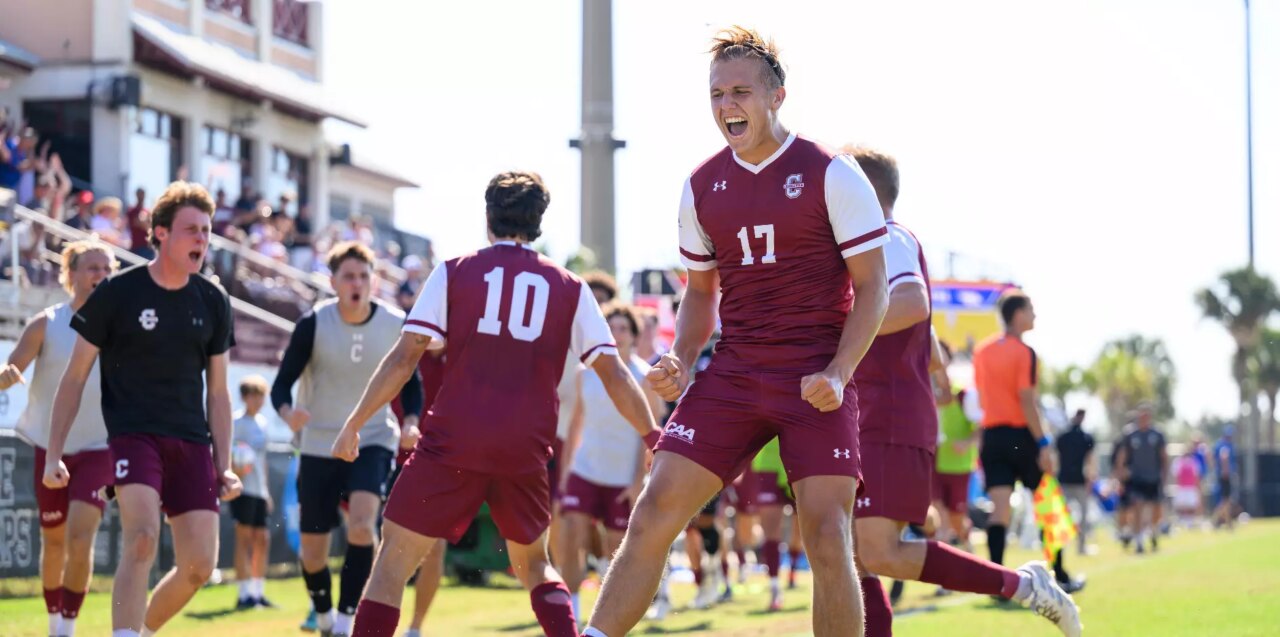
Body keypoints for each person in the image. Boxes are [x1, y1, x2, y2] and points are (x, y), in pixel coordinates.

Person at [584, 27, 892, 637]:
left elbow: (874, 286)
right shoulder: (700, 186)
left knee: (828, 536)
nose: (727, 106)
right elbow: (700, 292)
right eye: (717, 93)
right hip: (734, 371)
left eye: (741, 92)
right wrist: (680, 355)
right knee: (652, 513)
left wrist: (838, 370)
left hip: (813, 376)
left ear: (777, 96)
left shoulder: (832, 172)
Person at [337, 170, 661, 637]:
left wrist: (356, 419)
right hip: (525, 446)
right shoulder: (570, 286)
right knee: (535, 566)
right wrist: (653, 434)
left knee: (392, 564)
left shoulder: (455, 270)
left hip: (454, 439)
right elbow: (613, 372)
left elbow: (405, 355)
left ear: (488, 217)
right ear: (540, 223)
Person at [847, 147, 1081, 637]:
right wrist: (933, 372)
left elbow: (912, 302)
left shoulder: (886, 237)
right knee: (853, 555)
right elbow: (930, 340)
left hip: (888, 417)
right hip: (874, 415)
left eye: (839, 186)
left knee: (876, 551)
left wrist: (834, 336)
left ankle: (1021, 584)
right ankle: (970, 549)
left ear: (863, 194)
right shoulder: (867, 250)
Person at [43, 181, 241, 637]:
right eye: (191, 229)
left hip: (192, 441)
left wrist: (223, 465)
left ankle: (142, 629)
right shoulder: (116, 294)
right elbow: (73, 380)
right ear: (160, 233)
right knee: (143, 537)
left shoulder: (213, 299)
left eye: (206, 231)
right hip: (134, 435)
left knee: (199, 566)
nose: (201, 240)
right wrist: (54, 455)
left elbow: (219, 393)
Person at [270, 241, 425, 637]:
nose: (357, 283)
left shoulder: (394, 322)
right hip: (319, 443)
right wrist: (290, 415)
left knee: (361, 526)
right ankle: (323, 615)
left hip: (372, 439)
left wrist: (409, 421)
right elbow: (281, 386)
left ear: (374, 280)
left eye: (363, 276)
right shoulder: (314, 323)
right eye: (348, 276)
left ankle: (345, 619)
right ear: (333, 282)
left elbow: (411, 383)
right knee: (313, 551)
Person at [0, 240, 116, 637]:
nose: (100, 275)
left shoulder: (121, 328)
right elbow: (11, 367)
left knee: (82, 535)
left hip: (101, 447)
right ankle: (53, 623)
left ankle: (67, 627)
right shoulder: (46, 323)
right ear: (70, 275)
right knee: (53, 541)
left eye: (106, 268)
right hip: (49, 448)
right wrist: (5, 376)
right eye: (91, 268)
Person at [557, 303, 663, 621]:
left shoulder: (645, 377)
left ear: (634, 336)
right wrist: (565, 475)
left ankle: (607, 616)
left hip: (622, 478)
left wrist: (636, 482)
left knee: (617, 552)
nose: (616, 334)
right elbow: (576, 424)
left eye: (622, 329)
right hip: (584, 470)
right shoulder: (584, 372)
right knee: (571, 535)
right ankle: (570, 612)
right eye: (611, 328)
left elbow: (651, 436)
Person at [973, 291, 1084, 595]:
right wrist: (1044, 442)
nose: (1034, 315)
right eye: (1031, 309)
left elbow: (982, 396)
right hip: (1020, 437)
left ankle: (997, 583)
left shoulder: (981, 351)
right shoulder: (1024, 352)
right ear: (1018, 314)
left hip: (992, 437)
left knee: (999, 510)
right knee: (1047, 501)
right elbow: (1026, 400)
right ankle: (1060, 574)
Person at [231, 375, 276, 610]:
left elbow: (263, 461)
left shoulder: (263, 424)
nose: (257, 400)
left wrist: (267, 492)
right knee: (244, 538)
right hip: (242, 490)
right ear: (244, 397)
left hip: (259, 491)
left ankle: (258, 593)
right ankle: (244, 594)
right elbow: (230, 456)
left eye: (261, 396)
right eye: (253, 395)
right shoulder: (236, 423)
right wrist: (234, 467)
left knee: (262, 539)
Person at [1115, 404, 1167, 553]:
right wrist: (1121, 474)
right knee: (1137, 507)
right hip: (1137, 478)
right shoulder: (1131, 435)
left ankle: (1154, 533)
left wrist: (1165, 475)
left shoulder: (1157, 435)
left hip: (1154, 477)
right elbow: (1122, 456)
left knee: (1156, 510)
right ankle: (1139, 541)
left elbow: (1163, 457)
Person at [1056, 409, 1096, 555]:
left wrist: (1090, 477)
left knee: (1081, 515)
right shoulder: (1072, 437)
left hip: (1074, 481)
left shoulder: (1080, 437)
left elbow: (1089, 459)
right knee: (1065, 516)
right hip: (1069, 481)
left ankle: (1077, 546)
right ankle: (1066, 547)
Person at [1212, 426, 1237, 529]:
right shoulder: (1225, 445)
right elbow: (1224, 456)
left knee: (1225, 500)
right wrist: (1225, 471)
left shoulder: (1218, 444)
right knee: (1226, 499)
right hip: (1225, 475)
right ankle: (1225, 522)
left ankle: (1220, 520)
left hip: (1221, 474)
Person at [127, 188, 154, 259]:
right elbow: (140, 224)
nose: (141, 196)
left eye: (142, 194)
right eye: (140, 194)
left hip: (148, 246)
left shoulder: (146, 211)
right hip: (138, 247)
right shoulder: (132, 210)